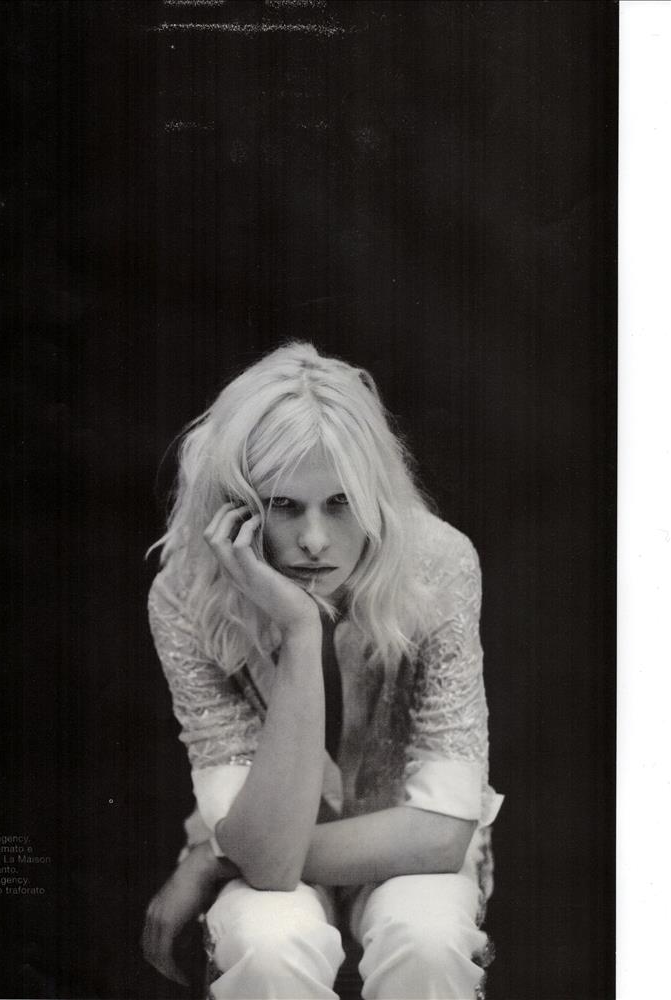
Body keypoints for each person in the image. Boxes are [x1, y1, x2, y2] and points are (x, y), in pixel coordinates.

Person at [141, 343, 503, 999]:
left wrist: (215, 858)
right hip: (267, 848)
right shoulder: (186, 595)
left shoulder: (438, 561)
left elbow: (442, 832)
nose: (314, 540)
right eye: (283, 505)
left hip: (398, 846)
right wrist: (300, 631)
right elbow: (269, 866)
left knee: (427, 938)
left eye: (340, 503)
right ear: (236, 508)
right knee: (268, 944)